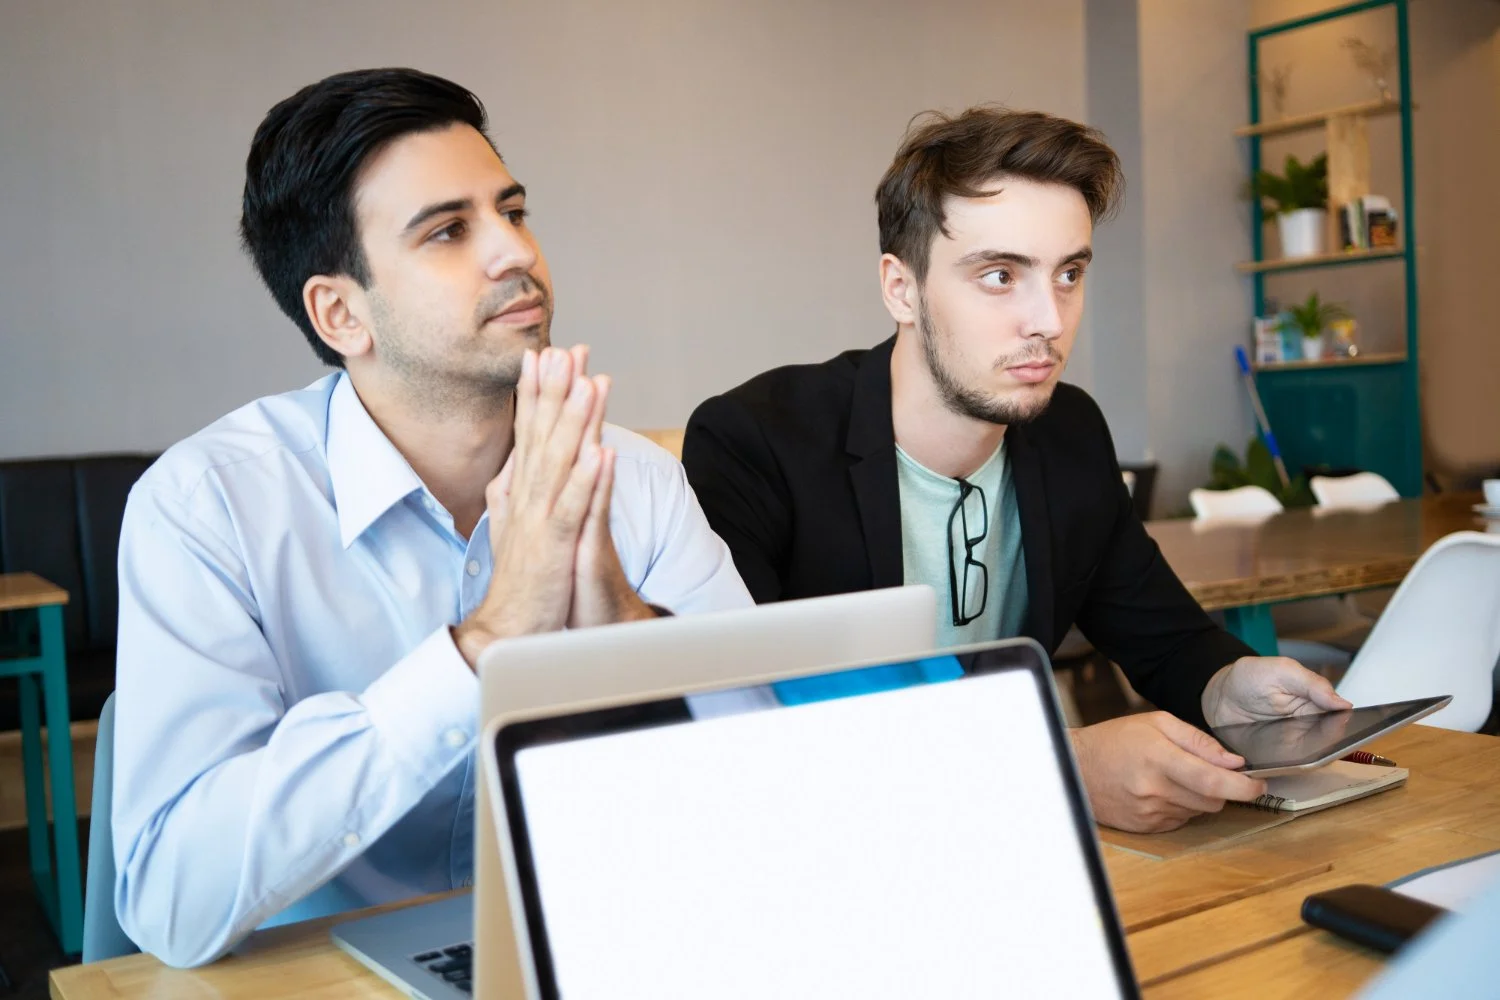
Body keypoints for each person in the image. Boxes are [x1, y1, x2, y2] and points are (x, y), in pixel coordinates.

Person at [112, 68, 750, 967]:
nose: (512, 252)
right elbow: (172, 899)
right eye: (448, 231)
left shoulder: (632, 480)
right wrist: (482, 647)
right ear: (341, 313)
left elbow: (769, 799)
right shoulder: (208, 506)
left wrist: (624, 634)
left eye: (513, 211)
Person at [682, 106, 1350, 835]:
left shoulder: (1068, 431)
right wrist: (1061, 768)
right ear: (900, 288)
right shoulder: (758, 440)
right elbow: (748, 735)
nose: (1050, 321)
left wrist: (1228, 686)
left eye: (1069, 274)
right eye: (1001, 276)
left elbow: (1165, 637)